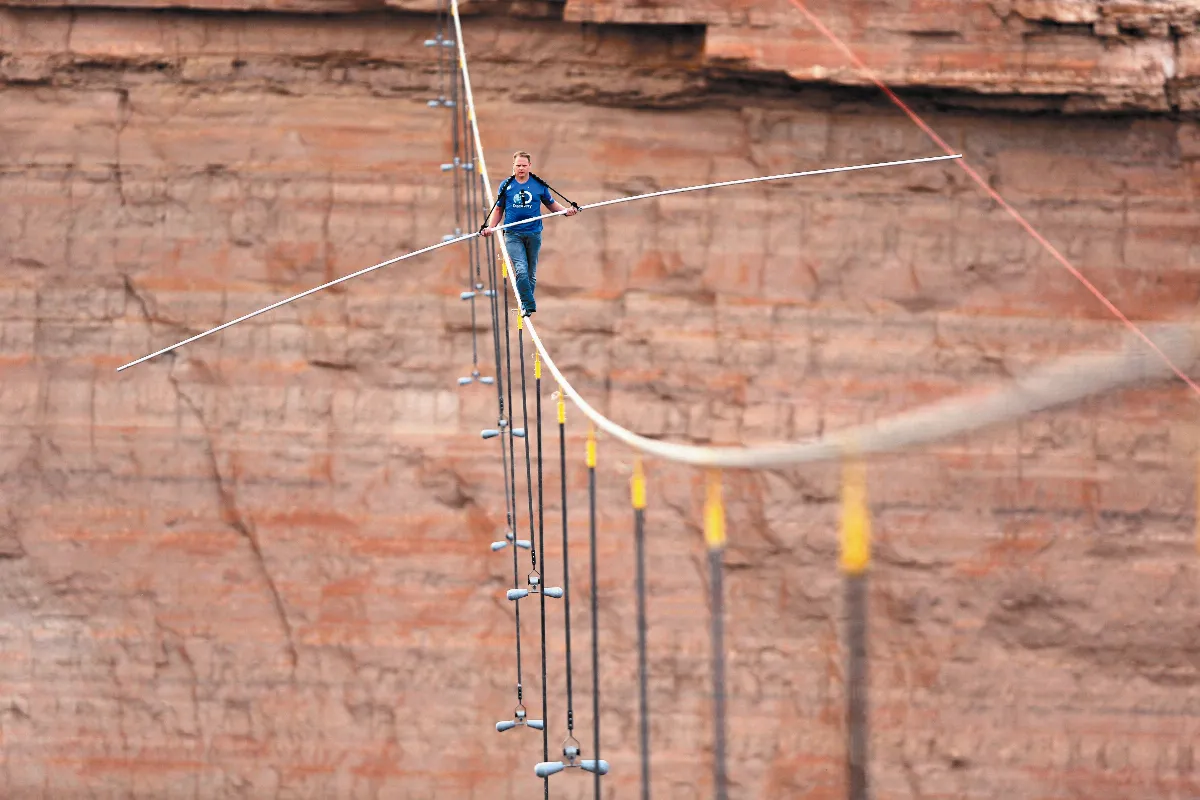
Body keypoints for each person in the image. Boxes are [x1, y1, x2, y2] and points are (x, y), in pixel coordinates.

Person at [481, 151, 579, 316]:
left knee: (531, 273)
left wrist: (566, 211)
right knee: (521, 269)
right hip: (512, 234)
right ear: (513, 166)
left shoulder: (538, 184)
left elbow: (551, 204)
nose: (520, 168)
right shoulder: (506, 185)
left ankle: (526, 304)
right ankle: (527, 305)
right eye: (518, 165)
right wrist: (490, 227)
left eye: (524, 165)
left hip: (534, 233)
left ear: (529, 166)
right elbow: (498, 209)